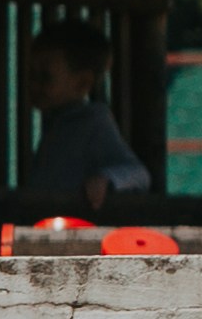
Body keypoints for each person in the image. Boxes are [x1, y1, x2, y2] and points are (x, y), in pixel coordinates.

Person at [10, 20, 155, 224]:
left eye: (45, 77)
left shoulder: (93, 122)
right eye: (32, 75)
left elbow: (138, 174)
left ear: (82, 83)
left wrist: (106, 179)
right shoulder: (57, 123)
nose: (34, 85)